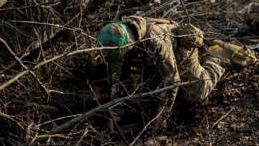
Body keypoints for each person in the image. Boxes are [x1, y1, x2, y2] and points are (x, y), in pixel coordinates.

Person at [96, 16, 227, 133]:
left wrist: (162, 116)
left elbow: (172, 80)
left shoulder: (155, 41)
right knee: (146, 99)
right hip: (151, 60)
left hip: (178, 51)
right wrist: (116, 112)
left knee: (198, 92)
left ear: (128, 46)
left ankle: (216, 58)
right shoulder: (115, 39)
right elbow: (118, 79)